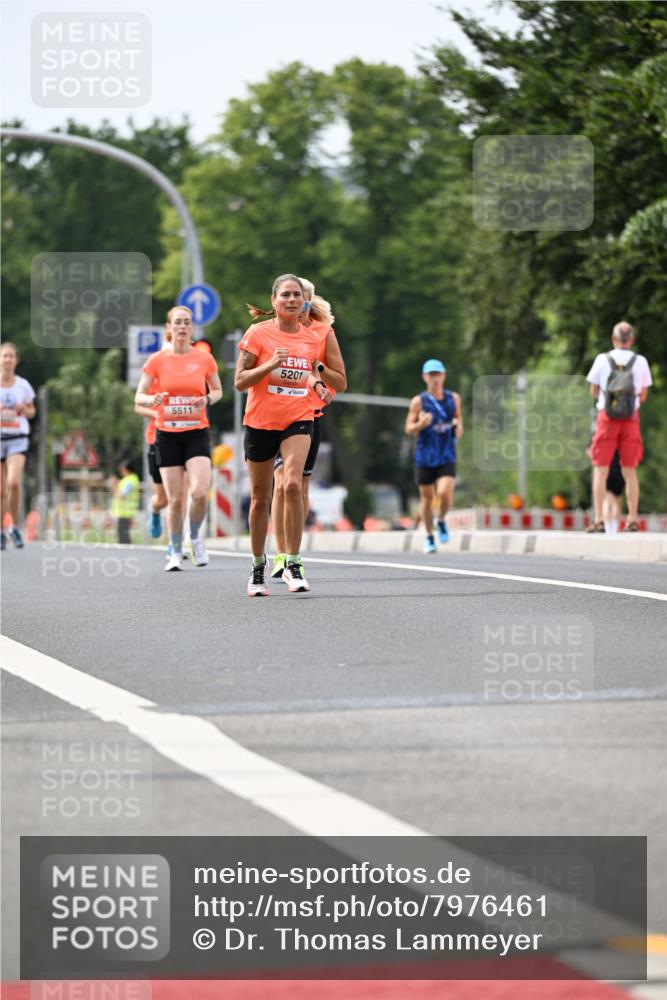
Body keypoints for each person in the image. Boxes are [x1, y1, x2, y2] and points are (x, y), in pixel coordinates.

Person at [235, 274, 332, 595]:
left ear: (304, 302)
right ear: (274, 301)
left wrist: (316, 383)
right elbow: (241, 380)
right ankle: (257, 567)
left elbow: (306, 371)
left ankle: (292, 561)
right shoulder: (257, 334)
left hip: (299, 417)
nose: (292, 300)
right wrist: (268, 365)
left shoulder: (310, 339)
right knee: (260, 498)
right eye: (285, 295)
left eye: (296, 296)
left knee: (292, 484)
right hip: (261, 421)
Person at [262, 278, 346, 581]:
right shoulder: (273, 330)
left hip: (309, 415)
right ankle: (281, 552)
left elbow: (340, 379)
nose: (298, 303)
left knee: (297, 486)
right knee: (281, 483)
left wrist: (318, 372)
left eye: (304, 299)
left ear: (309, 302)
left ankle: (292, 552)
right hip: (275, 416)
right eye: (293, 297)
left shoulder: (323, 332)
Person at [135, 305, 222, 571]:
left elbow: (218, 390)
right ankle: (174, 549)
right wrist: (154, 398)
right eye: (178, 323)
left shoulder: (204, 359)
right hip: (167, 434)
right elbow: (139, 396)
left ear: (191, 329)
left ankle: (194, 537)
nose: (182, 327)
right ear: (169, 329)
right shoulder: (157, 360)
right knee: (175, 500)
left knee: (199, 493)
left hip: (196, 432)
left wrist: (206, 399)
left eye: (187, 322)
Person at [586, 321, 652, 532]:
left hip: (607, 417)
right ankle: (632, 519)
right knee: (630, 470)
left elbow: (594, 391)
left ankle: (598, 520)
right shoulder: (640, 361)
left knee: (600, 469)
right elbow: (643, 394)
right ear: (631, 340)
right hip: (631, 419)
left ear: (613, 339)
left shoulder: (602, 360)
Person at [405, 359, 463, 554]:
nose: (435, 379)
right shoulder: (419, 401)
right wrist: (421, 424)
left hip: (446, 454)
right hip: (425, 456)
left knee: (445, 493)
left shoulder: (453, 399)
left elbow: (460, 427)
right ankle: (429, 537)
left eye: (438, 374)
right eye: (431, 375)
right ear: (424, 378)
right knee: (427, 499)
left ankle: (442, 520)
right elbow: (409, 428)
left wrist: (457, 426)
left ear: (444, 376)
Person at [1, 342, 36, 550]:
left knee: (13, 483)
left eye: (11, 356)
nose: (7, 360)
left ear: (16, 360)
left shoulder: (22, 385)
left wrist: (24, 408)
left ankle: (13, 526)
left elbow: (33, 412)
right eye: (4, 356)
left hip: (17, 438)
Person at [112, 460, 140, 544]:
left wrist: (115, 486)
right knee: (123, 537)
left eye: (122, 470)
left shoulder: (130, 481)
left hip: (125, 512)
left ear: (126, 469)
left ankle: (126, 554)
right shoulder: (129, 479)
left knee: (124, 539)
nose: (121, 472)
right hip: (125, 512)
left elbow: (121, 495)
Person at [603, 450, 623, 534]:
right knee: (617, 501)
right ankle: (615, 527)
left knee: (607, 501)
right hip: (620, 472)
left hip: (607, 471)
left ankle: (607, 526)